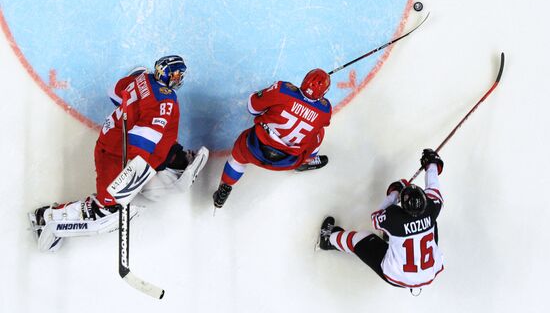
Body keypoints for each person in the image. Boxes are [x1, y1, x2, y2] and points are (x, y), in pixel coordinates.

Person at [29, 55, 209, 252]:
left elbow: (114, 92)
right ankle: (45, 218)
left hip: (113, 141)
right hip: (114, 154)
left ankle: (174, 159)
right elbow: (142, 139)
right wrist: (132, 172)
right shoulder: (164, 100)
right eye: (176, 74)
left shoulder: (143, 78)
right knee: (105, 210)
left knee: (160, 145)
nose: (178, 78)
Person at [318, 148, 444, 290]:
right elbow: (433, 187)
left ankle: (328, 240)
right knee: (432, 223)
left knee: (362, 238)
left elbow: (376, 217)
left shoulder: (394, 218)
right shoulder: (432, 207)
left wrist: (394, 193)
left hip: (398, 275)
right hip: (429, 273)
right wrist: (432, 164)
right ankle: (390, 236)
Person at [213, 69, 332, 209]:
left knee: (238, 157)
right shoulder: (325, 111)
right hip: (286, 162)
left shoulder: (282, 90)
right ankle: (306, 161)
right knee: (319, 131)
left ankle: (225, 187)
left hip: (254, 149)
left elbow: (252, 107)